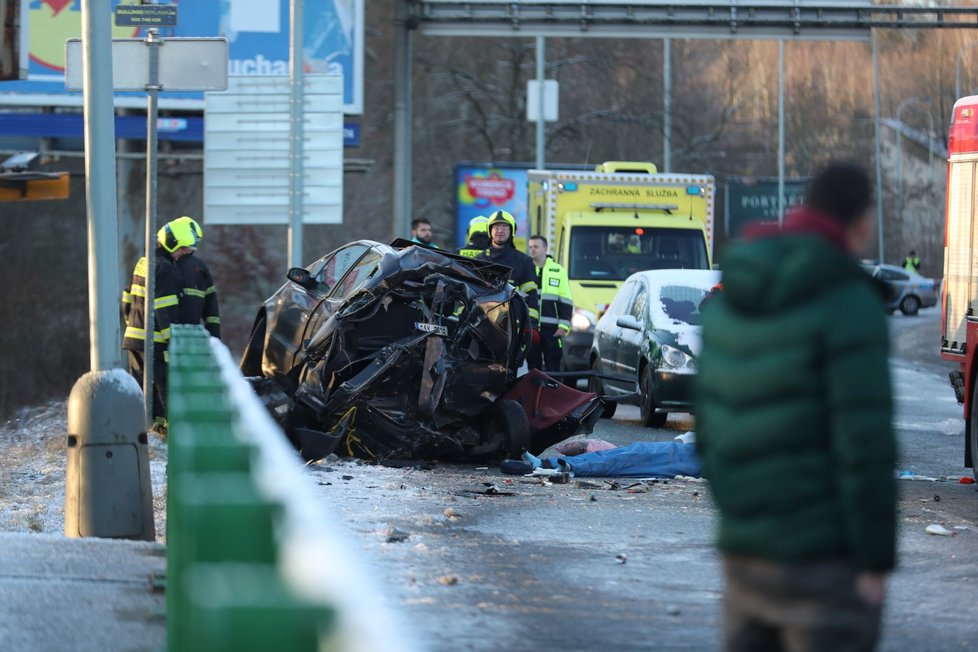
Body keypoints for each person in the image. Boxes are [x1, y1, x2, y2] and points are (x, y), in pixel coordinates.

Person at [695, 161, 896, 652]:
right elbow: (865, 443)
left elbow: (710, 428)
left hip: (743, 553)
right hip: (824, 561)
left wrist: (739, 519)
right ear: (862, 220)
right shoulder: (849, 302)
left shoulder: (732, 298)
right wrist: (874, 560)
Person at [122, 218, 201, 432]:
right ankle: (165, 433)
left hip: (135, 340)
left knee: (141, 392)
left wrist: (132, 325)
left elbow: (127, 298)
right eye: (184, 248)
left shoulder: (144, 262)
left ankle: (143, 432)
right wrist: (174, 341)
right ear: (173, 243)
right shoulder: (166, 269)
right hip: (155, 344)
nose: (186, 253)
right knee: (163, 392)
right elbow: (164, 310)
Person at [476, 210, 540, 340]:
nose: (500, 230)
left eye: (505, 227)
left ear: (512, 232)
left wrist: (530, 325)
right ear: (490, 231)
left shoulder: (524, 261)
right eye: (496, 226)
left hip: (513, 326)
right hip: (481, 325)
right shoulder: (479, 261)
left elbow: (531, 296)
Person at [527, 235, 573, 372]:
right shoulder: (526, 269)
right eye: (530, 247)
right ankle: (535, 394)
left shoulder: (558, 270)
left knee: (553, 368)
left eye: (536, 246)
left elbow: (566, 300)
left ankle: (551, 394)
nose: (532, 250)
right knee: (533, 368)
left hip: (552, 330)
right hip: (532, 328)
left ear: (545, 249)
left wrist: (564, 326)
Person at [171, 216, 221, 340]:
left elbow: (211, 308)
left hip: (186, 340)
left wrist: (214, 339)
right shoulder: (163, 265)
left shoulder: (199, 268)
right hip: (172, 340)